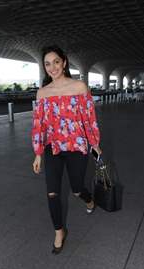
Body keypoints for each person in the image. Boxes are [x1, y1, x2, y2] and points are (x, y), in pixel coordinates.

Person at [32, 45, 102, 254]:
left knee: (77, 188)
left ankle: (88, 199)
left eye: (55, 62)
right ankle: (58, 231)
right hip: (52, 148)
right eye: (47, 64)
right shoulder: (42, 93)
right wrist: (37, 153)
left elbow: (89, 120)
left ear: (64, 63)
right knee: (52, 192)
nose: (52, 67)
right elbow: (39, 125)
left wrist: (95, 145)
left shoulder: (80, 87)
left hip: (77, 146)